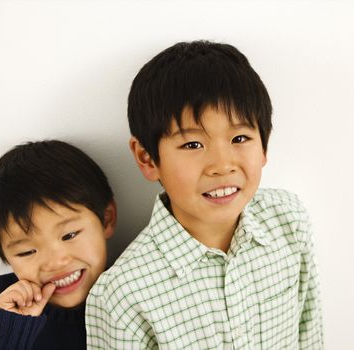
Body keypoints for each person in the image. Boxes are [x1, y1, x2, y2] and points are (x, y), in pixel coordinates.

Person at [85, 41, 324, 349]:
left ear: (264, 146)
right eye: (192, 145)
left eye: (240, 138)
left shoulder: (289, 220)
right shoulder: (123, 296)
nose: (222, 165)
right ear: (147, 158)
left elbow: (310, 334)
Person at [0, 140, 116, 350]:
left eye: (69, 235)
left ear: (107, 219)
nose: (56, 262)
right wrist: (7, 333)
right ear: (0, 251)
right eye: (27, 251)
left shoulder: (129, 289)